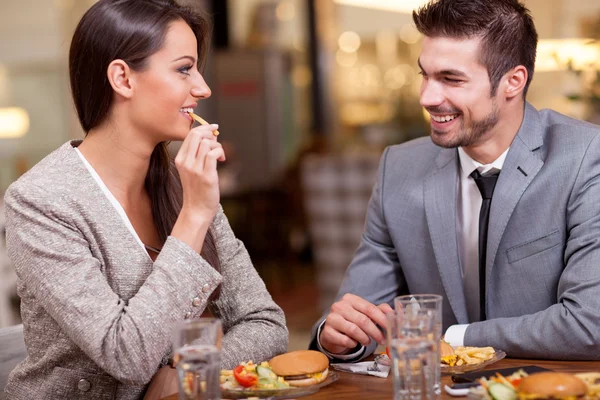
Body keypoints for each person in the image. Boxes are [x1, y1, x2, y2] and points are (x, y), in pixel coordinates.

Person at [3, 0, 288, 399]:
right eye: (184, 68)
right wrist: (194, 216)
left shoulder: (181, 185)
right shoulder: (40, 202)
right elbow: (127, 356)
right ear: (123, 78)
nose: (202, 88)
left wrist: (185, 371)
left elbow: (266, 323)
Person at [311, 0, 600, 362]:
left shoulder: (585, 157)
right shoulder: (398, 168)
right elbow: (363, 317)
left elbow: (590, 324)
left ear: (514, 81)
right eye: (425, 75)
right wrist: (339, 337)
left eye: (451, 79)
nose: (427, 97)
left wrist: (450, 337)